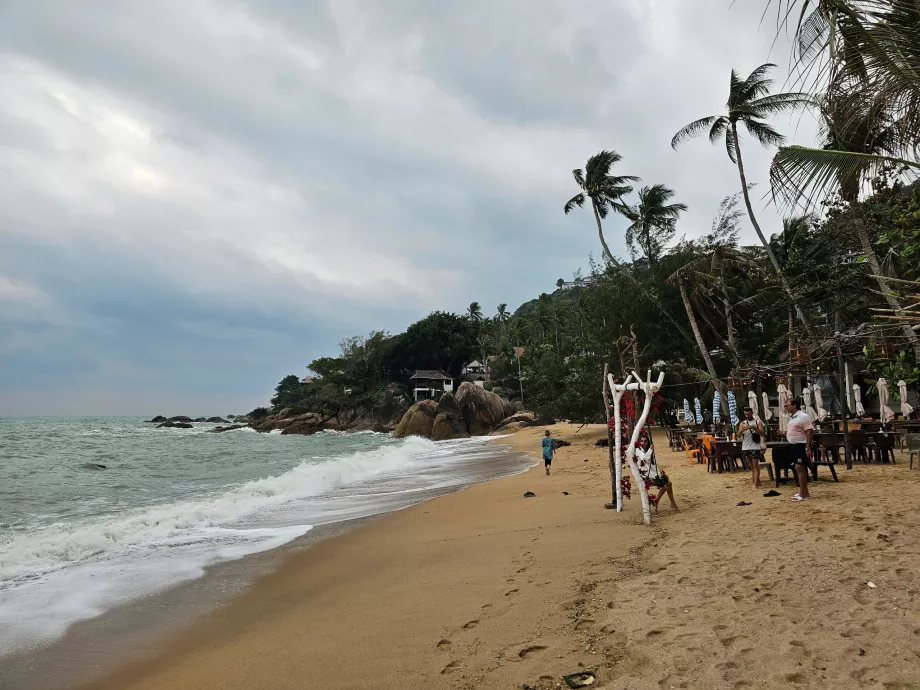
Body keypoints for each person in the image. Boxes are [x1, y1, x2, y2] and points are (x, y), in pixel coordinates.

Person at [635, 434, 679, 512]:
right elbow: (645, 460)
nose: (643, 443)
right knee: (666, 484)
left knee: (668, 483)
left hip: (652, 472)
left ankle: (663, 501)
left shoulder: (648, 450)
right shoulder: (638, 450)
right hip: (645, 474)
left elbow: (653, 464)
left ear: (648, 442)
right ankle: (659, 501)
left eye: (645, 441)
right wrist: (650, 450)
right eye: (641, 441)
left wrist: (659, 472)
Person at [784, 397, 814, 501]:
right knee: (799, 469)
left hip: (801, 445)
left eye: (787, 405)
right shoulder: (792, 417)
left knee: (799, 468)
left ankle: (803, 494)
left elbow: (809, 431)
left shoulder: (803, 416)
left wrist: (807, 446)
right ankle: (805, 492)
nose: (786, 407)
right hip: (794, 446)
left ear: (794, 405)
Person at [739, 406, 765, 488]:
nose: (747, 416)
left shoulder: (758, 422)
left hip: (755, 446)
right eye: (746, 414)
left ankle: (755, 484)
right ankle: (756, 481)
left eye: (749, 414)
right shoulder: (742, 423)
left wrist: (754, 427)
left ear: (752, 413)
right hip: (746, 446)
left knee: (755, 466)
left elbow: (762, 433)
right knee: (751, 466)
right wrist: (741, 430)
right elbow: (738, 436)